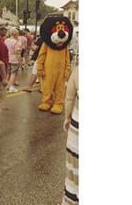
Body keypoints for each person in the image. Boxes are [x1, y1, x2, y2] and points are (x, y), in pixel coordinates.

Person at [61, 66, 79, 205]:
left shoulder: (78, 71)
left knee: (75, 169)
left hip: (78, 130)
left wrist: (67, 117)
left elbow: (69, 98)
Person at [4, 27, 22, 93]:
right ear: (15, 34)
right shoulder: (15, 42)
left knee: (8, 72)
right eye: (17, 33)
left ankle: (8, 85)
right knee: (13, 73)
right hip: (14, 59)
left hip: (8, 58)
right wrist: (20, 61)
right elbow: (17, 53)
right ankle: (11, 87)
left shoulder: (6, 40)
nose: (18, 35)